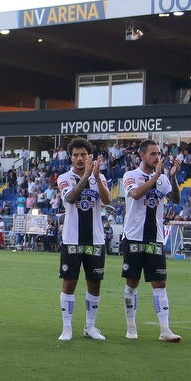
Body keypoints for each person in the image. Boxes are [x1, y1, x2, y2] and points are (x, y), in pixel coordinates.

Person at [121, 139, 182, 342]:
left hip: (155, 238)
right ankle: (131, 326)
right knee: (133, 282)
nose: (157, 157)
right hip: (134, 237)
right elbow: (136, 194)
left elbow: (175, 199)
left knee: (160, 282)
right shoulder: (131, 176)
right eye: (153, 154)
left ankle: (165, 329)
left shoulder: (163, 178)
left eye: (159, 154)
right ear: (143, 156)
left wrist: (172, 178)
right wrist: (156, 176)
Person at [55, 137, 111, 341]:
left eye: (83, 155)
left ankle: (90, 326)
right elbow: (70, 198)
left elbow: (106, 200)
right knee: (69, 283)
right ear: (70, 157)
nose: (79, 159)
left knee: (94, 283)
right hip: (72, 239)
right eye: (76, 155)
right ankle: (67, 327)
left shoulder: (100, 177)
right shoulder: (64, 178)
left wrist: (94, 176)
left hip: (95, 239)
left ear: (90, 157)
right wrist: (86, 176)